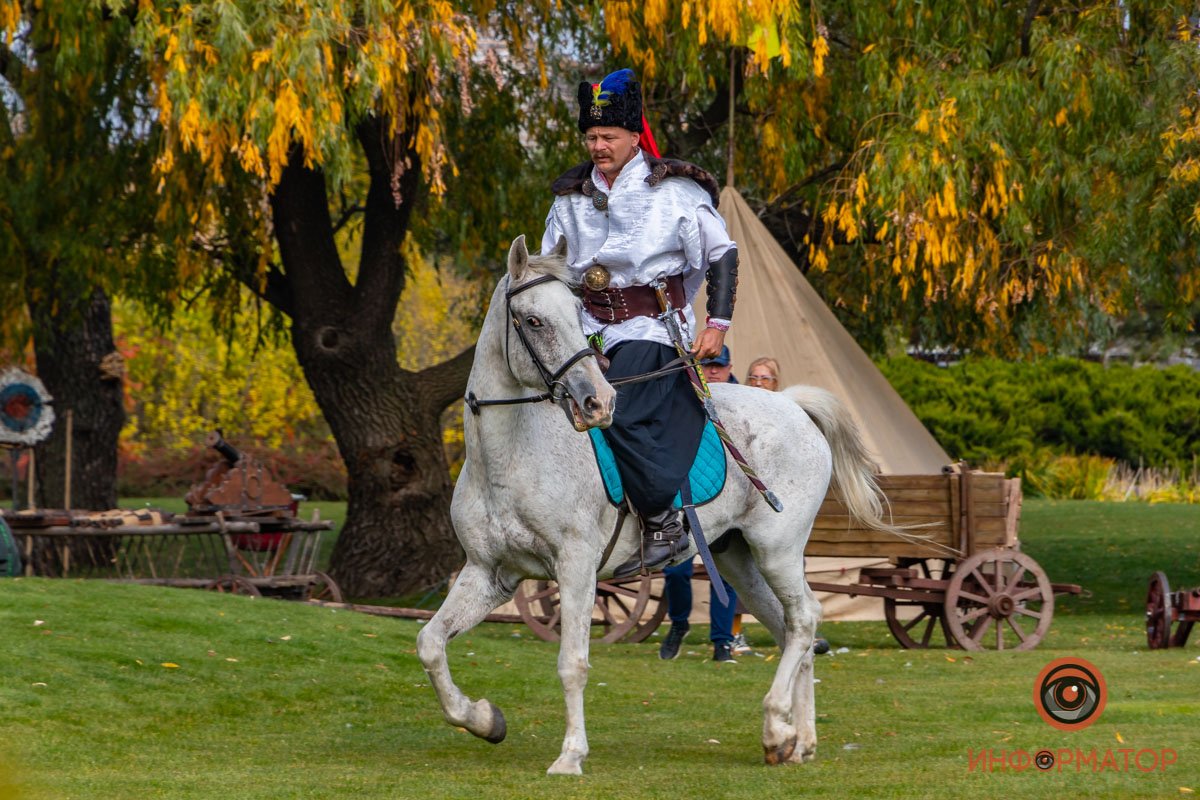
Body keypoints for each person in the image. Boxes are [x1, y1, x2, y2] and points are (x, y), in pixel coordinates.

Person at [541, 68, 738, 579]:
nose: (598, 146)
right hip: (584, 328)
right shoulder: (569, 199)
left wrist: (717, 324)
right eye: (591, 137)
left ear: (633, 136)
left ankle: (661, 519)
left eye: (608, 137)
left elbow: (722, 254)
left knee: (614, 411)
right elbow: (550, 268)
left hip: (652, 329)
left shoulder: (675, 192)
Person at [658, 345, 746, 663]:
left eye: (717, 366)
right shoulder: (684, 399)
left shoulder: (744, 407)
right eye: (706, 365)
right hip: (686, 498)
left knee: (727, 573)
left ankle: (722, 642)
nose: (711, 371)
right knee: (676, 570)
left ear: (729, 367)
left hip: (729, 500)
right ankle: (679, 624)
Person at [743, 356, 831, 657]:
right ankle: (734, 636)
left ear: (776, 383)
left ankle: (801, 630)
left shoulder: (792, 427)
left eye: (764, 379)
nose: (757, 384)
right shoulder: (742, 419)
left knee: (784, 566)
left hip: (779, 517)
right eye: (753, 378)